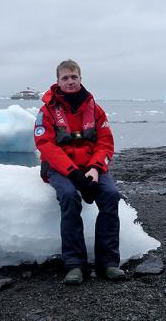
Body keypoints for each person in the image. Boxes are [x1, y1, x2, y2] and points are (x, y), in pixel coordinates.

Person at [34, 59, 125, 285]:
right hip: (60, 169)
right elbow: (46, 145)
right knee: (69, 196)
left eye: (74, 77)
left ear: (81, 79)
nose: (70, 81)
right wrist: (73, 174)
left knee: (111, 195)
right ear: (57, 81)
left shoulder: (94, 109)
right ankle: (74, 264)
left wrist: (95, 169)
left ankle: (109, 262)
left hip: (91, 167)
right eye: (65, 78)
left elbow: (105, 142)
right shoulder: (47, 111)